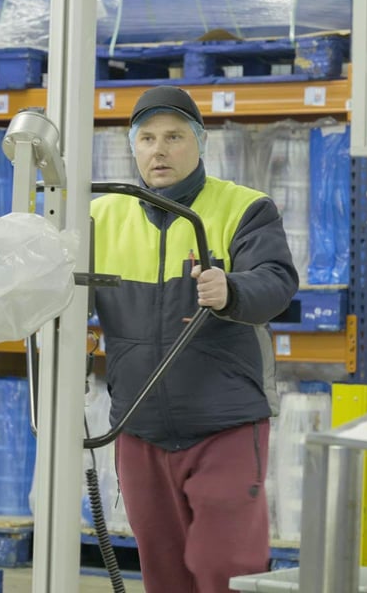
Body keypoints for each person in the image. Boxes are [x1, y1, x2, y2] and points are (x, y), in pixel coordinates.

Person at [90, 86, 299, 592]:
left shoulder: (244, 208)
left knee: (225, 567)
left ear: (199, 143)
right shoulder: (101, 216)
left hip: (223, 425)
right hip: (138, 428)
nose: (159, 150)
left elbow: (277, 281)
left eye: (174, 137)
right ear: (133, 147)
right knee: (163, 572)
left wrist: (232, 289)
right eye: (147, 138)